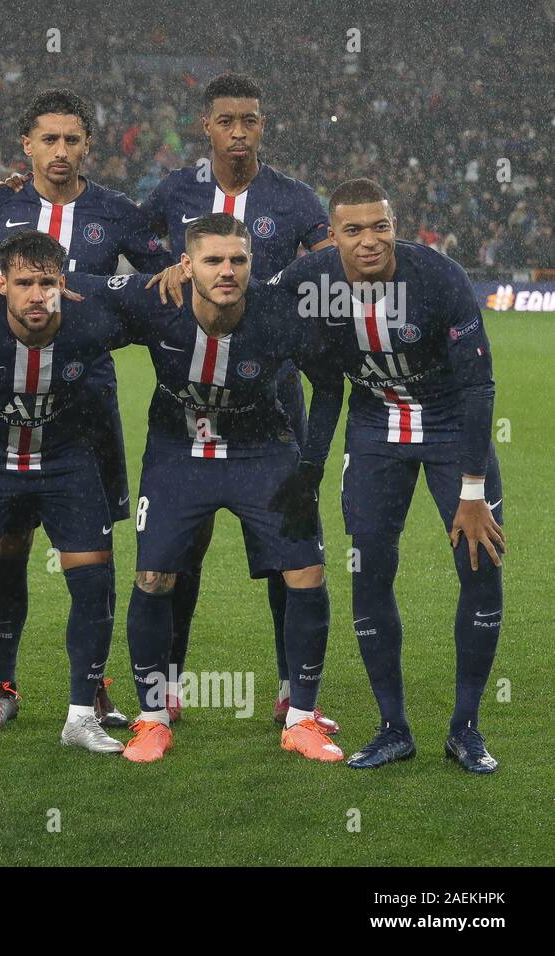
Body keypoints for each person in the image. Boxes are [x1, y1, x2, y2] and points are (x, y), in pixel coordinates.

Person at [0, 87, 172, 730]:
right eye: (49, 139)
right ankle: (2, 683)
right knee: (9, 546)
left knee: (92, 553)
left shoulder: (116, 212)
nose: (61, 151)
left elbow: (160, 284)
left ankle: (92, 689)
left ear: (88, 146)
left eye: (73, 139)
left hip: (86, 405)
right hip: (0, 404)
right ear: (27, 144)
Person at [269, 178, 505, 773]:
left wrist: (474, 491)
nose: (370, 240)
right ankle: (393, 728)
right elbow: (244, 299)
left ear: (394, 226)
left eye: (381, 226)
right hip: (375, 427)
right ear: (332, 236)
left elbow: (479, 385)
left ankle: (466, 729)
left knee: (479, 565)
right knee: (369, 569)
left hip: (452, 425)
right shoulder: (310, 281)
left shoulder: (437, 277)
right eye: (354, 230)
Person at [141, 72, 338, 731]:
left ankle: (293, 688)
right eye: (227, 120)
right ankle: (165, 686)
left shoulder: (292, 197)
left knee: (291, 552)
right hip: (190, 400)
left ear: (261, 125)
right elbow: (130, 254)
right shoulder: (174, 193)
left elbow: (333, 269)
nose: (238, 131)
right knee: (179, 551)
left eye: (249, 120)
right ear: (207, 125)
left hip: (272, 402)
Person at [114, 214, 343, 764]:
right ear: (186, 265)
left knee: (306, 571)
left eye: (238, 260)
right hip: (177, 454)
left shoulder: (280, 314)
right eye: (214, 260)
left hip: (261, 450)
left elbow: (331, 382)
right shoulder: (155, 302)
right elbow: (87, 310)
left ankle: (302, 718)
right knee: (154, 575)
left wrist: (310, 464)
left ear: (251, 264)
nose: (227, 270)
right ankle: (150, 719)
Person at [0, 231, 130, 757]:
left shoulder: (93, 322)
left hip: (66, 461)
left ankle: (81, 717)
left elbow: (153, 305)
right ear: (1, 285)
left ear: (64, 284)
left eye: (47, 283)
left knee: (93, 583)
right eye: (23, 283)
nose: (36, 295)